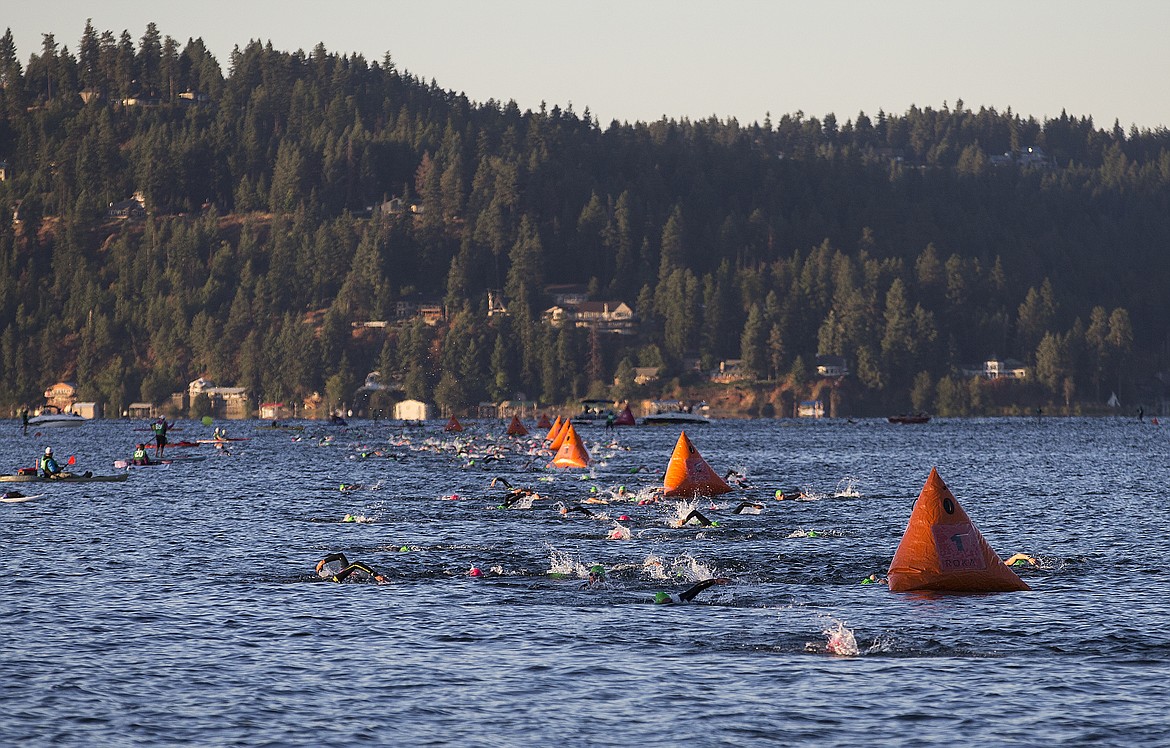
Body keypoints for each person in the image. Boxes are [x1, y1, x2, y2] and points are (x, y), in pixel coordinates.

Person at [315, 552, 388, 584]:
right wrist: (375, 575)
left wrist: (322, 562)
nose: (352, 573)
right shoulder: (335, 579)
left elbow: (340, 555)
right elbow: (356, 564)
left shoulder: (342, 573)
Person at [653, 577, 730, 604]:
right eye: (665, 601)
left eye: (668, 599)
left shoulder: (679, 599)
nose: (668, 601)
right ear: (661, 602)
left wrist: (714, 581)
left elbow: (697, 587)